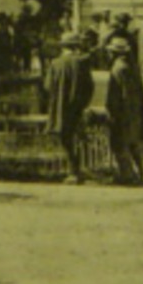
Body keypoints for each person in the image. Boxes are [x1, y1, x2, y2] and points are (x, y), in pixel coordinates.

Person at [46, 32, 96, 183]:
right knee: (81, 137)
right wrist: (84, 102)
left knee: (65, 138)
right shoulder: (82, 62)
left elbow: (47, 86)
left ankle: (74, 170)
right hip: (78, 105)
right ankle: (83, 169)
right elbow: (90, 86)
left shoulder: (56, 63)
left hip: (61, 106)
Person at [103, 36, 143, 184]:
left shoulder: (118, 68)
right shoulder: (132, 66)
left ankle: (127, 175)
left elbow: (118, 94)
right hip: (134, 112)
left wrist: (113, 113)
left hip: (123, 112)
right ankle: (141, 173)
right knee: (134, 144)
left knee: (119, 144)